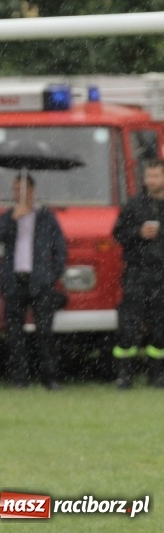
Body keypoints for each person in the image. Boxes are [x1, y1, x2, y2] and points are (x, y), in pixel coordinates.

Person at [0, 174, 67, 390]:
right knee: (15, 333)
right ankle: (19, 379)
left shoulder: (46, 217)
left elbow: (60, 249)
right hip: (14, 281)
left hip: (40, 282)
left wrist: (52, 275)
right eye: (15, 189)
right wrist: (13, 219)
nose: (18, 194)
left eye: (22, 189)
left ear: (32, 191)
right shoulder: (7, 215)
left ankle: (49, 378)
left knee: (44, 332)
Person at [112, 159, 164, 389]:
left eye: (156, 176)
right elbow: (118, 234)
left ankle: (157, 376)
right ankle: (124, 376)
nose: (151, 180)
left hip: (162, 276)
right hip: (137, 274)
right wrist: (138, 232)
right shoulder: (134, 205)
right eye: (149, 176)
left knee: (160, 330)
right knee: (128, 328)